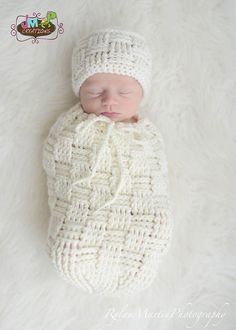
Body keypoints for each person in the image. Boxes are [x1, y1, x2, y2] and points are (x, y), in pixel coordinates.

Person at [42, 27, 173, 297]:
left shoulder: (147, 137)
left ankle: (141, 255)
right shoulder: (72, 129)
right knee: (73, 228)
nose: (109, 100)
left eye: (124, 92)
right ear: (79, 92)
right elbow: (58, 166)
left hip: (138, 217)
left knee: (157, 225)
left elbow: (157, 181)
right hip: (84, 211)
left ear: (141, 94)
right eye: (95, 91)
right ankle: (75, 247)